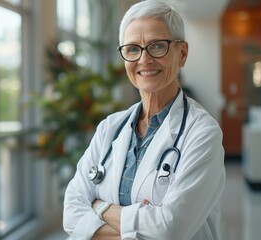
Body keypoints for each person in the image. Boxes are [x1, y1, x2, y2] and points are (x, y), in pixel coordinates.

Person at [63, 0, 226, 239]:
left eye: (157, 46)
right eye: (132, 49)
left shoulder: (203, 133)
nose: (144, 59)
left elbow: (171, 229)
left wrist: (100, 206)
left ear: (182, 54)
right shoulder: (110, 128)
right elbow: (71, 212)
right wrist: (143, 228)